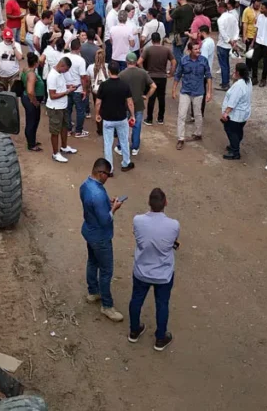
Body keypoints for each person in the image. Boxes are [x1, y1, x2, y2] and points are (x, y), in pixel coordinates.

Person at [127, 187, 179, 351]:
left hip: (142, 271)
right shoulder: (174, 225)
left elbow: (137, 236)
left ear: (149, 203)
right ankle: (160, 338)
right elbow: (171, 242)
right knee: (162, 304)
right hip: (163, 274)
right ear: (166, 203)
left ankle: (134, 331)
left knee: (136, 300)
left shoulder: (138, 220)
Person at [80, 157, 125, 322]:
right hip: (100, 237)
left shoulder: (85, 185)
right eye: (107, 174)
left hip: (89, 231)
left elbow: (91, 207)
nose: (108, 177)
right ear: (100, 173)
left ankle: (93, 291)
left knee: (92, 262)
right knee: (106, 271)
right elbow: (105, 220)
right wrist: (114, 208)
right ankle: (107, 306)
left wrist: (108, 202)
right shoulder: (98, 194)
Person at [172, 40, 212, 150]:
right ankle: (180, 138)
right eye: (195, 49)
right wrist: (174, 90)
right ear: (189, 50)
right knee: (181, 115)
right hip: (185, 91)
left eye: (199, 48)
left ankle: (198, 133)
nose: (198, 51)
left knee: (198, 114)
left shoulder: (204, 60)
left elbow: (208, 76)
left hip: (198, 92)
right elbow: (177, 75)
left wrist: (209, 92)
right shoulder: (184, 60)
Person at [96, 61, 135, 172]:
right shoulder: (124, 85)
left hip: (107, 119)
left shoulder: (104, 85)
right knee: (124, 141)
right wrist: (132, 115)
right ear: (119, 71)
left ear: (109, 72)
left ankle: (109, 169)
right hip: (121, 118)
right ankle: (126, 163)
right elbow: (130, 102)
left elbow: (98, 102)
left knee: (108, 144)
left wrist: (97, 114)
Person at [118, 52, 156, 157]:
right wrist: (147, 96)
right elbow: (154, 86)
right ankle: (135, 147)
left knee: (123, 126)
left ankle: (121, 146)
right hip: (139, 104)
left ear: (126, 62)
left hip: (125, 105)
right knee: (137, 126)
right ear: (136, 62)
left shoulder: (122, 74)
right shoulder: (143, 73)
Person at [46, 57, 79, 163]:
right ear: (62, 65)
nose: (67, 71)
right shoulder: (52, 76)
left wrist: (68, 86)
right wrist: (67, 92)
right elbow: (52, 95)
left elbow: (60, 86)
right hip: (55, 108)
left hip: (63, 106)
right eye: (67, 69)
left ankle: (64, 147)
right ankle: (55, 153)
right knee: (55, 131)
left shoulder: (60, 74)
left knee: (64, 127)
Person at [219, 63, 252, 160]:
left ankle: (235, 151)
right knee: (238, 130)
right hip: (244, 114)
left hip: (235, 115)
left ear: (238, 72)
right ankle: (234, 144)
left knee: (230, 130)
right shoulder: (248, 81)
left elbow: (233, 101)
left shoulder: (239, 85)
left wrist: (225, 113)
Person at [142, 32, 175, 125]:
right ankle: (160, 118)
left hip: (151, 77)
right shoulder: (166, 50)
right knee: (161, 98)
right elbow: (174, 62)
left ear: (152, 41)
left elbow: (140, 61)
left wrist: (144, 72)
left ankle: (149, 119)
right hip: (162, 77)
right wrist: (171, 73)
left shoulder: (148, 50)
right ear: (160, 39)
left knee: (151, 98)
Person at [65, 38, 91, 138]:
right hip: (77, 88)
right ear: (79, 48)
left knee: (68, 110)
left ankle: (68, 129)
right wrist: (84, 90)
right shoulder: (80, 60)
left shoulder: (65, 56)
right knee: (80, 110)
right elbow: (83, 77)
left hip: (67, 87)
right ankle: (78, 131)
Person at [20, 53, 45, 151]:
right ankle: (31, 144)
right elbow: (30, 91)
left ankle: (32, 140)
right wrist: (35, 102)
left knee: (34, 120)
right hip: (31, 100)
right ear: (35, 63)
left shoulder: (26, 69)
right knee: (31, 121)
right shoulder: (32, 74)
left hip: (28, 98)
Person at [215, 1, 240, 90]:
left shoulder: (220, 19)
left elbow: (223, 32)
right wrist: (234, 40)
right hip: (230, 45)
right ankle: (225, 82)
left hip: (223, 44)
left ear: (221, 8)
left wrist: (229, 41)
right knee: (226, 64)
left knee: (223, 65)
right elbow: (237, 29)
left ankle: (225, 83)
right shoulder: (232, 17)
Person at [167, 0, 194, 65]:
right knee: (180, 51)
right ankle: (177, 70)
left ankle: (186, 67)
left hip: (179, 35)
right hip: (187, 34)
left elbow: (168, 19)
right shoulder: (190, 7)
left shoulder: (179, 9)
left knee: (177, 54)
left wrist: (167, 10)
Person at [87, 48, 109, 135]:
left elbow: (88, 80)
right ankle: (107, 127)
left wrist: (88, 89)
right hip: (107, 91)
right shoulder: (107, 66)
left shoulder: (90, 67)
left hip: (96, 91)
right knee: (106, 108)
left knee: (98, 108)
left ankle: (100, 129)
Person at [242, 0, 261, 81]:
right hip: (249, 35)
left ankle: (254, 70)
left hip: (259, 36)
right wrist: (244, 35)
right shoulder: (247, 10)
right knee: (249, 54)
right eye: (256, 5)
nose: (258, 6)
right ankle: (248, 69)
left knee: (256, 55)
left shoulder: (261, 11)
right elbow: (245, 24)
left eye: (259, 5)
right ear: (253, 3)